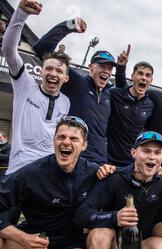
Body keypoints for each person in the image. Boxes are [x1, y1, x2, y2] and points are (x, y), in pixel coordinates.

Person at [0, 116, 114, 249]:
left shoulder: (94, 172)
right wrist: (23, 237)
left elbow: (125, 181)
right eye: (61, 137)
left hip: (67, 247)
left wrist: (157, 171)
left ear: (84, 145)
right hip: (29, 242)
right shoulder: (31, 173)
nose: (66, 142)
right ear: (54, 140)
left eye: (74, 139)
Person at [33, 15, 129, 165]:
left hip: (100, 161)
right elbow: (42, 48)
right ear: (90, 68)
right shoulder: (76, 82)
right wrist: (69, 26)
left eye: (110, 68)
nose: (106, 71)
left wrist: (121, 68)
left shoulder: (109, 93)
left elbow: (124, 94)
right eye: (102, 66)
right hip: (73, 158)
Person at [1, 0, 71, 175]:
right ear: (41, 72)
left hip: (49, 174)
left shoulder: (66, 102)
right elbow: (9, 51)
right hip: (19, 171)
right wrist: (21, 15)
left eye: (59, 71)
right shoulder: (25, 85)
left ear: (66, 77)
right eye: (49, 68)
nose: (53, 73)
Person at [107, 61, 155, 167]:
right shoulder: (115, 94)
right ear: (133, 76)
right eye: (140, 73)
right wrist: (120, 66)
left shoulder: (150, 105)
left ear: (151, 81)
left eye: (148, 75)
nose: (144, 78)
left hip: (132, 162)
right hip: (109, 160)